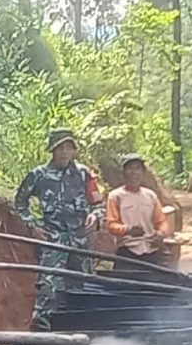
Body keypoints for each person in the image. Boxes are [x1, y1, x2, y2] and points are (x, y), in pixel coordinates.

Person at [13, 127, 104, 330]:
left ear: (74, 150)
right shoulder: (39, 175)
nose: (64, 152)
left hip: (80, 241)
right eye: (60, 148)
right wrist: (32, 225)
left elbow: (98, 204)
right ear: (52, 150)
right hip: (53, 240)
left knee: (83, 286)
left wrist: (95, 216)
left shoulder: (84, 174)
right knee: (48, 288)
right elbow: (20, 202)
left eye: (68, 147)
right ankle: (41, 332)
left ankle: (80, 329)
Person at [104, 154, 171, 262]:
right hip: (127, 250)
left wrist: (161, 233)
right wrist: (128, 230)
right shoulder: (115, 196)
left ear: (143, 173)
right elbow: (111, 225)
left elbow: (161, 221)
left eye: (138, 168)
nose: (134, 172)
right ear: (123, 173)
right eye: (130, 168)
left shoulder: (150, 195)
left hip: (151, 248)